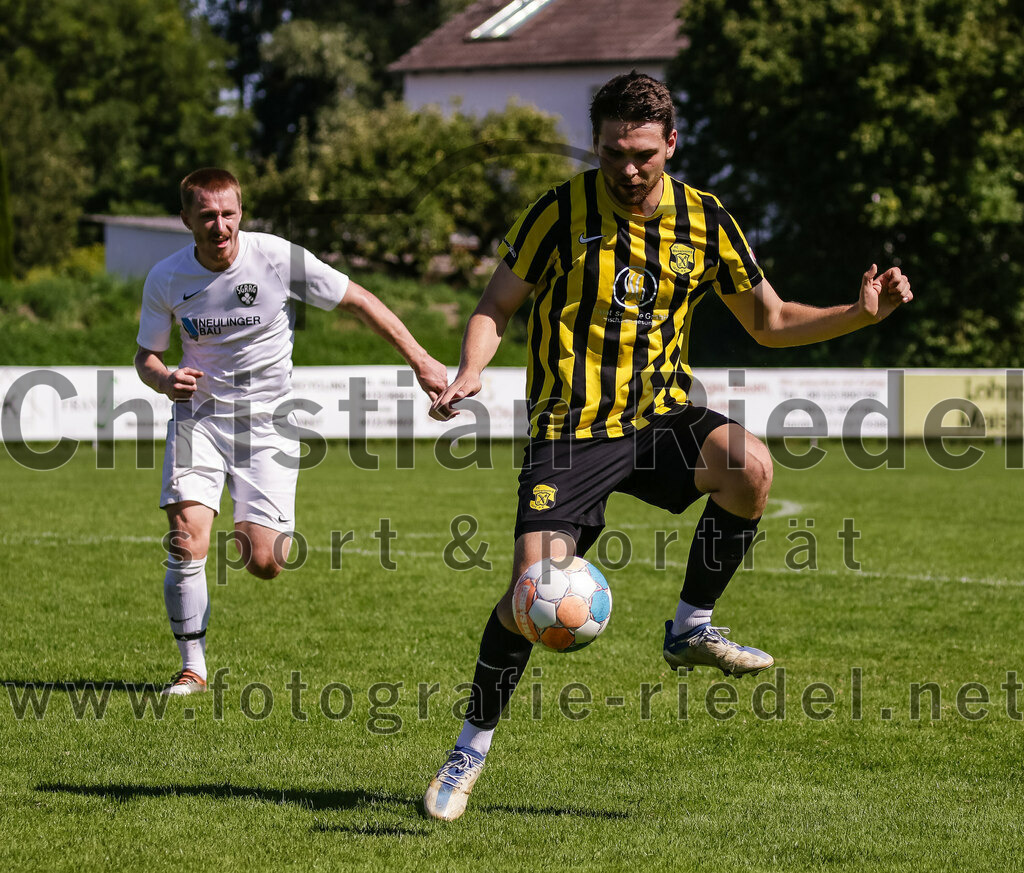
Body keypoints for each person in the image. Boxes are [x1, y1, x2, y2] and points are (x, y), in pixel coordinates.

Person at [422, 72, 913, 820]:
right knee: (533, 601)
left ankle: (689, 628)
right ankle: (469, 747)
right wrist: (470, 370)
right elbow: (497, 303)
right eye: (614, 152)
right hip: (570, 431)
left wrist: (858, 313)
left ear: (671, 144)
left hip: (658, 418)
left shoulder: (706, 220)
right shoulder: (557, 214)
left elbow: (770, 320)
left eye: (643, 153)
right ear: (597, 145)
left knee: (751, 466)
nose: (627, 169)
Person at [135, 167, 448, 695]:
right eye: (206, 215)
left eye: (228, 213)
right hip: (201, 420)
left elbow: (359, 300)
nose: (219, 226)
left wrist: (421, 361)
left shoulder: (277, 257)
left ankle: (247, 525)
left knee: (265, 562)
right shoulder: (166, 278)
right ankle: (193, 668)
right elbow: (147, 355)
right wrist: (165, 379)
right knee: (187, 541)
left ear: (241, 212)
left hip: (270, 425)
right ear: (185, 218)